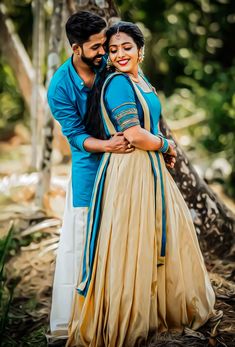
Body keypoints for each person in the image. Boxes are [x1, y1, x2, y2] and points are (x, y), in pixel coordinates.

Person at [67, 22, 217, 347]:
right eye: (113, 49)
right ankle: (128, 320)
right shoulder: (119, 83)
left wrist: (160, 150)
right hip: (128, 173)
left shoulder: (140, 79)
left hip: (147, 169)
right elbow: (134, 134)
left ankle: (160, 311)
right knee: (131, 242)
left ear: (140, 49)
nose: (120, 54)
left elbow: (145, 129)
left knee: (154, 240)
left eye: (126, 47)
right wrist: (166, 146)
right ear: (107, 54)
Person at [47, 12, 136, 340]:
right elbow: (75, 136)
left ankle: (118, 317)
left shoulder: (110, 68)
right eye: (97, 46)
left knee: (120, 240)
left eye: (105, 43)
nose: (105, 51)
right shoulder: (60, 86)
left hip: (124, 168)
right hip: (88, 170)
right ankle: (78, 322)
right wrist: (109, 145)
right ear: (75, 47)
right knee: (82, 245)